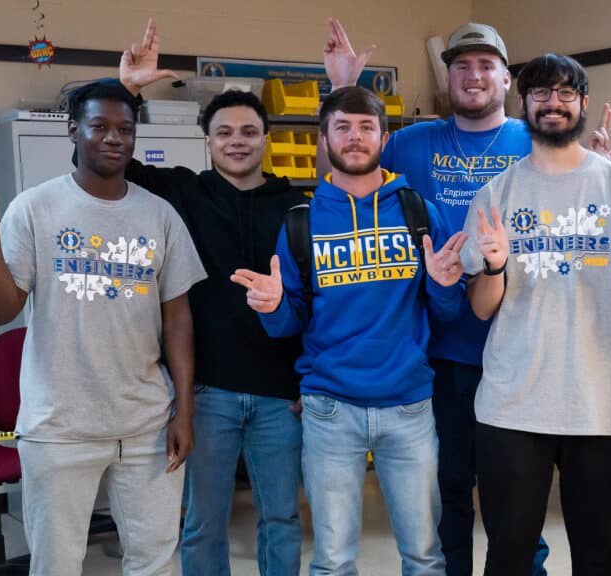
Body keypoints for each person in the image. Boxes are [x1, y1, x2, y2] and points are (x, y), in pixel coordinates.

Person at [0, 79, 206, 576]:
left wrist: (183, 410)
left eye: (125, 128)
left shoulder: (159, 214)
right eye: (99, 126)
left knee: (156, 561)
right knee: (56, 564)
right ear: (73, 130)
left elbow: (178, 318)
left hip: (146, 424)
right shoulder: (35, 207)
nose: (114, 138)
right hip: (60, 427)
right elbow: (1, 308)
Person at [323, 18, 549, 576]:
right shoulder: (410, 142)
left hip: (522, 349)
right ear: (447, 78)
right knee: (446, 491)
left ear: (505, 78)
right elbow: (341, 178)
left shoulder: (536, 141)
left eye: (486, 66)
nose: (474, 77)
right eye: (462, 66)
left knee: (517, 493)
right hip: (440, 350)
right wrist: (341, 89)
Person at [232, 86, 467, 576]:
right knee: (333, 560)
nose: (354, 137)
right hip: (329, 409)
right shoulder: (303, 220)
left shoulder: (417, 211)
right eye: (342, 127)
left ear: (384, 136)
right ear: (323, 139)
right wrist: (273, 307)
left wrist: (447, 287)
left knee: (425, 556)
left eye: (365, 128)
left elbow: (445, 311)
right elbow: (289, 322)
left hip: (408, 405)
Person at [461, 53, 611, 576]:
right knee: (507, 553)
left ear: (581, 104)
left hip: (597, 405)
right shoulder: (496, 193)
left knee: (596, 555)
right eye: (540, 93)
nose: (553, 103)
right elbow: (483, 308)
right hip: (513, 405)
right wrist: (493, 265)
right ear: (523, 103)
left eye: (565, 93)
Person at [114, 19, 306, 575]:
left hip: (280, 398)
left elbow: (316, 299)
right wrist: (129, 90)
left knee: (281, 521)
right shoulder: (182, 192)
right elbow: (113, 160)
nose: (237, 142)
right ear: (207, 141)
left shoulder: (296, 206)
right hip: (208, 394)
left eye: (248, 131)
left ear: (265, 139)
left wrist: (305, 378)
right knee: (202, 523)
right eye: (224, 133)